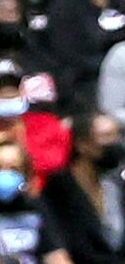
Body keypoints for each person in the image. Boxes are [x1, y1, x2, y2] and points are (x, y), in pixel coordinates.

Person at [0, 132, 70, 264]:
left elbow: (54, 253)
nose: (5, 173)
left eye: (13, 168)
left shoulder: (35, 205)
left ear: (25, 173)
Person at [0, 61, 71, 181]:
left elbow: (59, 160)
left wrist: (19, 152)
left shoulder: (48, 124)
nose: (8, 96)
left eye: (13, 91)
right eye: (0, 93)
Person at [42, 110, 124, 264]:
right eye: (107, 136)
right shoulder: (59, 186)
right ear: (82, 144)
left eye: (117, 135)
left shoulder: (115, 184)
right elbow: (71, 245)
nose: (115, 143)